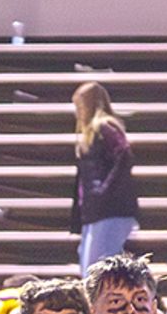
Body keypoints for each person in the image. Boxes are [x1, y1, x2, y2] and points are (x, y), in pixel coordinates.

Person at [55, 79, 141, 266]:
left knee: (96, 266)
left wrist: (102, 190)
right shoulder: (90, 133)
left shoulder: (104, 127)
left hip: (109, 209)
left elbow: (123, 155)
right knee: (89, 263)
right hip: (94, 210)